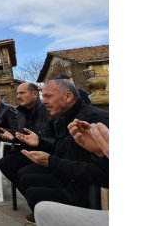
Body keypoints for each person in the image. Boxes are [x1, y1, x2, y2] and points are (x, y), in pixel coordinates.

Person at [14, 79, 109, 224]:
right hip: (71, 176)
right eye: (42, 96)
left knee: (33, 192)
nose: (43, 101)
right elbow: (63, 150)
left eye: (48, 96)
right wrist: (40, 142)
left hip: (90, 189)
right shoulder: (61, 117)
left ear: (68, 97)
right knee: (25, 177)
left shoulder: (95, 120)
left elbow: (102, 172)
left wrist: (51, 162)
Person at [33, 121, 109, 226]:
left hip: (80, 188)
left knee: (37, 197)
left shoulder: (91, 117)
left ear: (69, 102)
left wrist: (51, 161)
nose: (45, 103)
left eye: (48, 102)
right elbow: (59, 149)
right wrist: (100, 153)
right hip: (69, 175)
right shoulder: (60, 119)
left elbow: (91, 172)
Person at [0, 83, 55, 192]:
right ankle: (29, 195)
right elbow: (22, 134)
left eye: (22, 93)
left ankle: (37, 196)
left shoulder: (48, 110)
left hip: (46, 152)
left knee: (23, 173)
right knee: (4, 163)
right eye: (17, 93)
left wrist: (39, 141)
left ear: (35, 94)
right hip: (27, 151)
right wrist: (13, 137)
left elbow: (58, 140)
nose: (18, 96)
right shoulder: (19, 112)